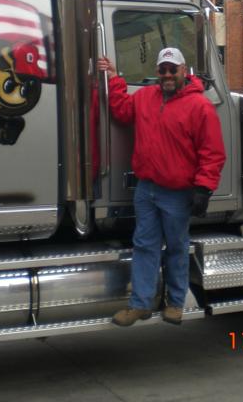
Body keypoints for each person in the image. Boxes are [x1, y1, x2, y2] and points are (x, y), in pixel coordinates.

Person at [97, 47, 226, 327]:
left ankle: (175, 303)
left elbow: (212, 152)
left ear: (183, 70)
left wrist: (203, 189)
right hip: (147, 189)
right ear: (158, 72)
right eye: (163, 70)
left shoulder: (199, 106)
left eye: (173, 69)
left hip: (177, 193)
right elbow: (121, 110)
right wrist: (114, 77)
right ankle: (141, 304)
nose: (167, 75)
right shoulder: (144, 98)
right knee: (144, 245)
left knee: (177, 248)